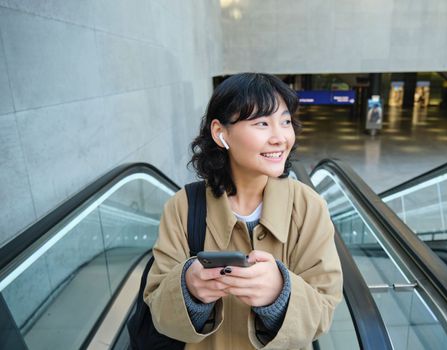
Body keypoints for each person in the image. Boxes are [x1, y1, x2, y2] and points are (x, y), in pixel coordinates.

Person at [144, 73, 343, 349]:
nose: (280, 138)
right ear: (220, 133)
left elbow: (324, 313)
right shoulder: (183, 206)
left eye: (285, 121)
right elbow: (158, 311)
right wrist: (189, 288)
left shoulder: (309, 207)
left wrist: (279, 294)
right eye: (262, 123)